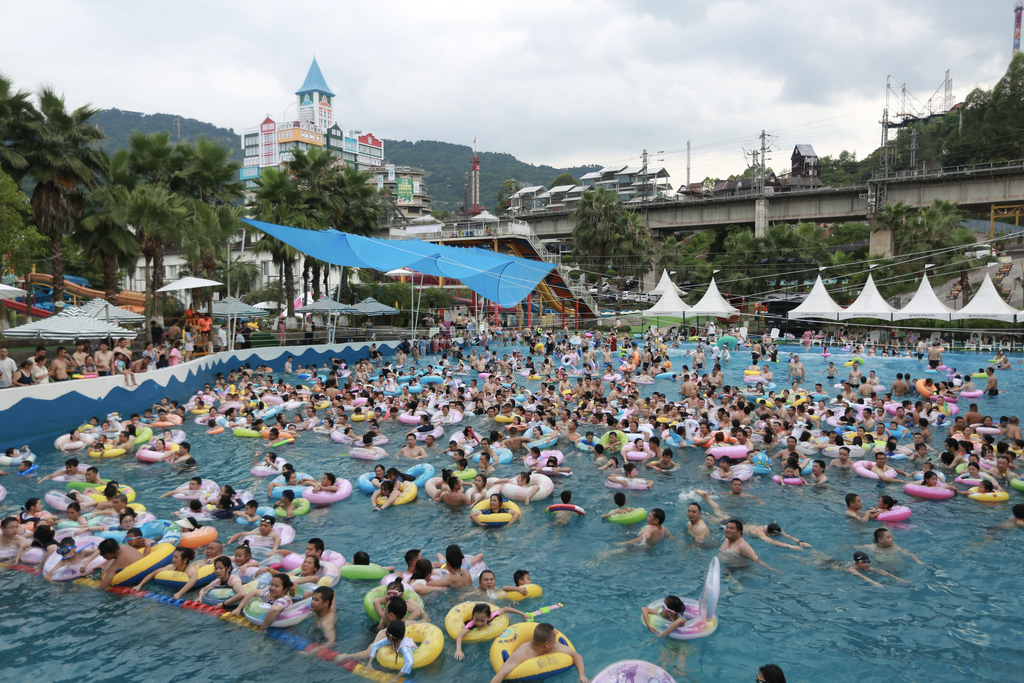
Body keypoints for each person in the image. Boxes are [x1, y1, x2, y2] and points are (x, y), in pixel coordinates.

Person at [490, 622, 587, 683]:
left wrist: (581, 675)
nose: (556, 640)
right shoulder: (523, 652)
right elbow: (501, 673)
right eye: (554, 638)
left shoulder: (554, 646)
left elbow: (577, 656)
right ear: (546, 644)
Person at [336, 620, 417, 676]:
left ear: (391, 636)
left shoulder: (404, 647)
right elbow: (375, 646)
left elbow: (409, 662)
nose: (384, 632)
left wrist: (396, 677)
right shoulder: (391, 639)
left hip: (414, 656)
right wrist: (369, 663)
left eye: (386, 632)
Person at [454, 602, 527, 659]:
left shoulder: (492, 615)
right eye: (476, 620)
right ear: (473, 617)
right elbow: (460, 635)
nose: (479, 623)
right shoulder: (470, 624)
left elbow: (505, 609)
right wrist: (458, 650)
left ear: (488, 617)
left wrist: (522, 613)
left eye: (482, 621)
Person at [230, 574, 295, 628]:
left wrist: (263, 628)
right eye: (272, 584)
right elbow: (253, 592)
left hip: (283, 627)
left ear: (285, 589)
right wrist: (238, 608)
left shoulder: (285, 600)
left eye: (276, 586)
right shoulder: (269, 594)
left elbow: (275, 609)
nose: (272, 587)